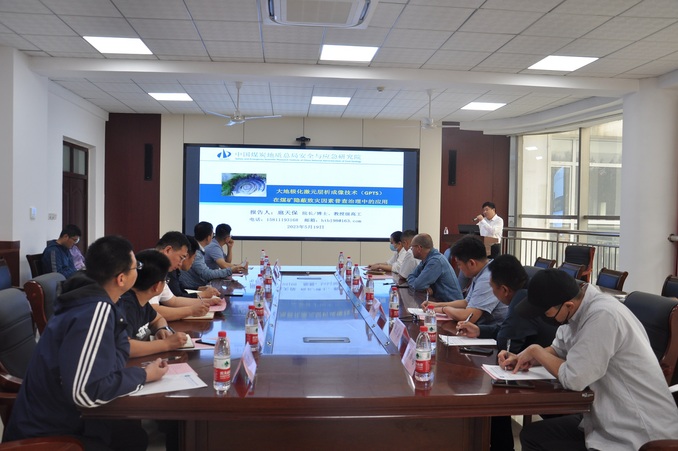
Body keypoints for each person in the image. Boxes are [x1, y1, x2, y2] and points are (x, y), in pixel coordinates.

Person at [4, 235, 169, 450]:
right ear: (121, 279)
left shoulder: (95, 299)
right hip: (53, 432)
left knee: (133, 436)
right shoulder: (94, 310)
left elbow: (113, 355)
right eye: (135, 267)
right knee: (132, 438)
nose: (138, 271)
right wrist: (144, 375)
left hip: (66, 415)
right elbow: (86, 392)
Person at [503, 269, 678, 451]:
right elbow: (558, 350)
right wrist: (525, 357)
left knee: (538, 439)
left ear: (568, 305)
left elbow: (574, 378)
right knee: (533, 436)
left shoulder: (603, 316)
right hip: (606, 419)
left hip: (637, 432)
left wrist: (536, 351)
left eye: (545, 313)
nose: (543, 318)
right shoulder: (577, 310)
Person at [455, 254, 560, 451]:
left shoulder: (521, 299)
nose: (493, 293)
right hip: (542, 368)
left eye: (493, 289)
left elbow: (505, 342)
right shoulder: (528, 292)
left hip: (551, 380)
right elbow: (507, 329)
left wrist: (494, 333)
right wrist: (479, 330)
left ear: (504, 290)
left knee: (491, 392)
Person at [423, 235, 506, 326]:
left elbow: (469, 317)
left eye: (459, 264)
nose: (459, 268)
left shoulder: (487, 278)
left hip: (497, 331)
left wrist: (443, 309)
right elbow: (466, 302)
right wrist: (436, 305)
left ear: (471, 263)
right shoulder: (483, 271)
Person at [119, 250, 189, 358]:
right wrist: (166, 344)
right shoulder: (126, 305)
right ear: (157, 286)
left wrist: (161, 329)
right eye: (165, 280)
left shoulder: (142, 301)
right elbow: (125, 347)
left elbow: (158, 319)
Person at [151, 231, 219, 322]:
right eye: (181, 257)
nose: (180, 264)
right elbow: (152, 311)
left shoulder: (161, 269)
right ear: (168, 250)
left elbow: (173, 301)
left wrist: (208, 302)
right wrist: (191, 311)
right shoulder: (150, 267)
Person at [406, 233, 462, 301]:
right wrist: (420, 285)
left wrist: (419, 285)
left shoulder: (435, 261)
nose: (411, 249)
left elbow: (418, 285)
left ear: (419, 248)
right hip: (440, 302)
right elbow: (411, 276)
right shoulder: (427, 259)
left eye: (412, 247)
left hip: (450, 304)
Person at [179, 222, 235, 289]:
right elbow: (206, 274)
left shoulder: (198, 248)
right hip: (193, 287)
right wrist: (231, 270)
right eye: (212, 234)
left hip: (197, 285)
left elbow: (227, 262)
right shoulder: (197, 252)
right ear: (208, 238)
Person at [167, 235, 220, 300]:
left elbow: (180, 288)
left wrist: (199, 289)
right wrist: (203, 294)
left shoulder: (174, 270)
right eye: (194, 258)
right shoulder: (170, 269)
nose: (180, 263)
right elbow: (177, 297)